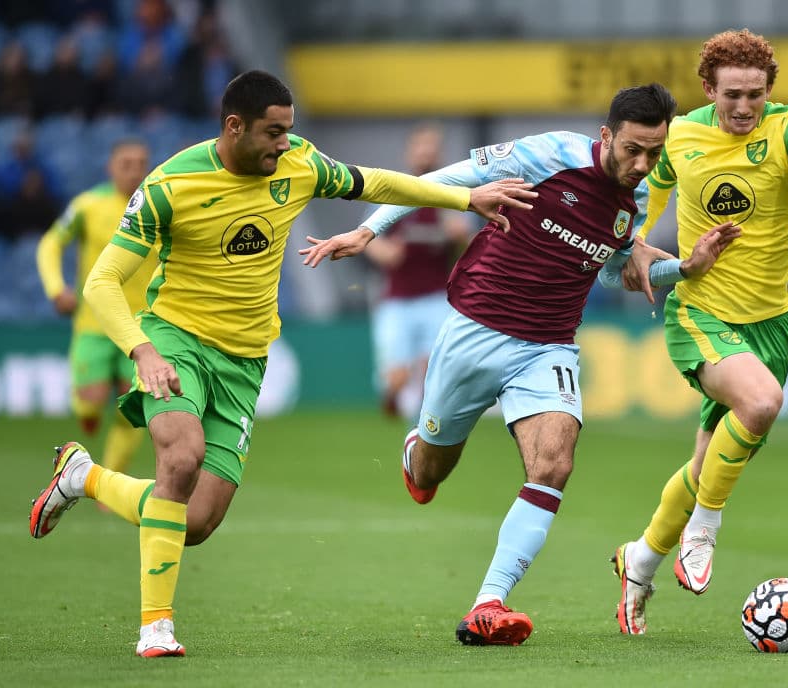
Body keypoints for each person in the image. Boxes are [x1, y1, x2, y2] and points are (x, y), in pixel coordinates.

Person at [27, 69, 536, 658]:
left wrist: (465, 197)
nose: (284, 144)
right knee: (180, 456)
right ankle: (156, 627)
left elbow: (376, 182)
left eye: (289, 132)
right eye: (273, 132)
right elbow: (103, 280)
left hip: (245, 361)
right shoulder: (170, 184)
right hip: (175, 343)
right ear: (234, 126)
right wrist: (142, 349)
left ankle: (82, 477)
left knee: (195, 523)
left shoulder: (300, 163)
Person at [299, 83, 738, 646]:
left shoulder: (634, 201)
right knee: (430, 473)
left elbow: (612, 272)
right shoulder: (551, 154)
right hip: (474, 330)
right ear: (606, 136)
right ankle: (418, 452)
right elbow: (443, 179)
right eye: (633, 149)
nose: (643, 164)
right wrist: (368, 229)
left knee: (554, 464)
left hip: (548, 346)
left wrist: (686, 268)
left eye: (655, 152)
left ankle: (489, 602)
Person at [608, 29, 788, 636]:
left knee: (704, 463)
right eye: (732, 96)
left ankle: (638, 561)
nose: (745, 108)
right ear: (708, 90)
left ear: (769, 90)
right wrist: (647, 256)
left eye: (755, 95)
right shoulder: (681, 137)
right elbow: (633, 225)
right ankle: (705, 528)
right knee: (763, 401)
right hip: (700, 310)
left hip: (772, 322)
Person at [36, 139, 153, 477]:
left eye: (140, 163)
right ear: (110, 168)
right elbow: (50, 243)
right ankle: (88, 412)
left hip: (143, 326)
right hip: (94, 321)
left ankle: (112, 474)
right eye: (126, 164)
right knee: (90, 400)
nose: (134, 171)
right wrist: (56, 289)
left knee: (134, 405)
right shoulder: (88, 206)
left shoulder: (156, 205)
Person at [364, 122, 472, 420]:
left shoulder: (453, 194)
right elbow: (367, 237)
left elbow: (472, 249)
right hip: (397, 299)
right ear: (410, 152)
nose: (426, 153)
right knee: (396, 377)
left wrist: (460, 237)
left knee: (431, 374)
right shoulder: (394, 191)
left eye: (432, 148)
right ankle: (393, 395)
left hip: (437, 298)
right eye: (421, 147)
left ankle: (423, 431)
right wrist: (384, 252)